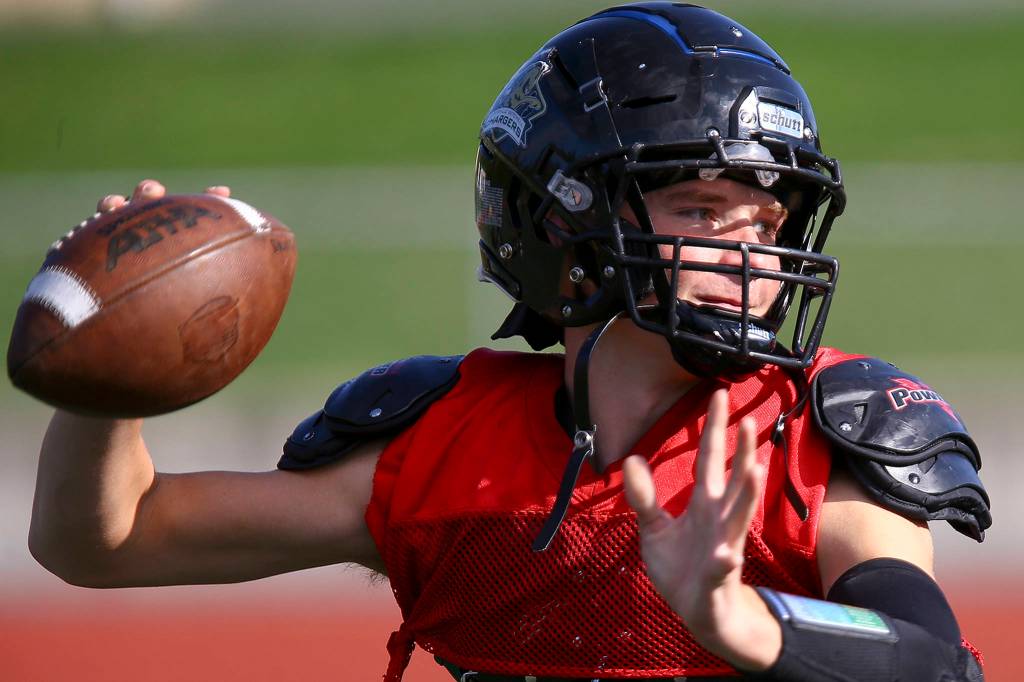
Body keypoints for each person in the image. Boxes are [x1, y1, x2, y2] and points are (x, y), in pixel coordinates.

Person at [27, 3, 991, 681]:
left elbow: (933, 661)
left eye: (769, 223)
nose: (754, 257)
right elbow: (104, 542)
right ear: (564, 222)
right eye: (702, 210)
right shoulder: (446, 450)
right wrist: (111, 371)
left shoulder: (813, 437)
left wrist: (743, 619)